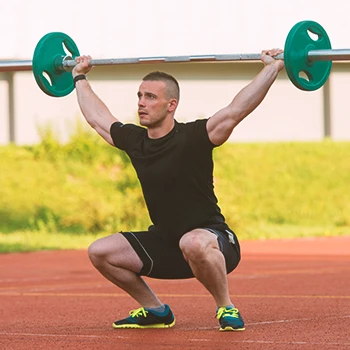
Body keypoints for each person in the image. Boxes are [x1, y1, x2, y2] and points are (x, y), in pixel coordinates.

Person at [72, 49, 284, 331]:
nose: (141, 103)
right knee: (100, 251)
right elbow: (98, 119)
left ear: (171, 105)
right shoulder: (136, 141)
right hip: (167, 243)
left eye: (150, 97)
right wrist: (79, 77)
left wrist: (273, 67)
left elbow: (237, 110)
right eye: (139, 95)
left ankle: (226, 307)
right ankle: (156, 310)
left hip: (214, 243)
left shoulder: (193, 137)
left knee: (193, 242)